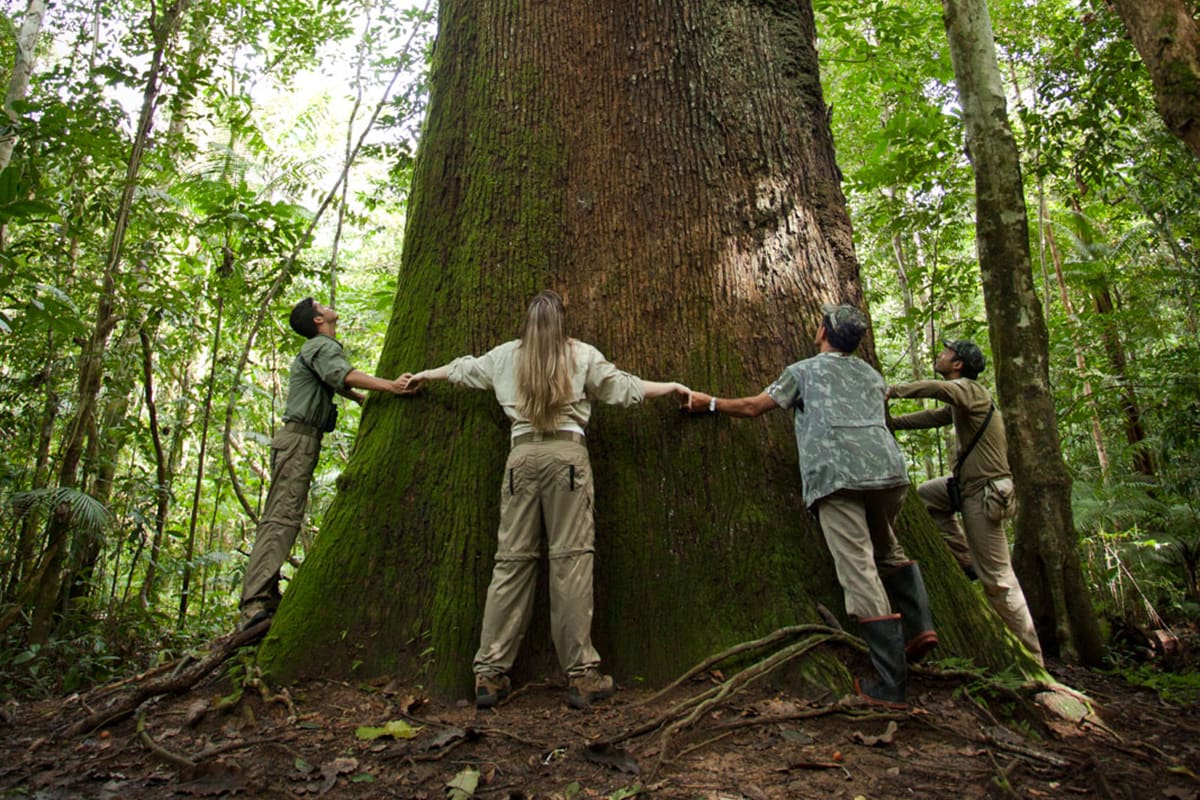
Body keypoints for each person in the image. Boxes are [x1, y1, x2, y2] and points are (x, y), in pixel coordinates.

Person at [397, 290, 690, 710]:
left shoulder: (504, 357)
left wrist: (426, 374)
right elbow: (623, 389)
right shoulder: (581, 354)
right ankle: (582, 675)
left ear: (527, 321)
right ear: (562, 321)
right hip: (567, 458)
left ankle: (489, 673)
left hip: (521, 459)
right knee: (570, 560)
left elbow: (465, 370)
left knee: (511, 561)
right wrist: (673, 386)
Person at [683, 303, 937, 708]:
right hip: (887, 473)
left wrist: (708, 402)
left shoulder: (804, 371)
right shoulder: (872, 375)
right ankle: (920, 628)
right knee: (887, 548)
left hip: (838, 477)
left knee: (858, 566)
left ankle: (891, 683)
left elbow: (753, 407)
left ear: (822, 332)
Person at [239, 297, 407, 631]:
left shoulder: (316, 349)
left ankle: (267, 598)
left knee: (284, 515)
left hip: (299, 441)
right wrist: (390, 387)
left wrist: (360, 398)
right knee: (281, 518)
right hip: (298, 441)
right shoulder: (320, 346)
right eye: (319, 305)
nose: (327, 306)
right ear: (318, 320)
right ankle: (252, 605)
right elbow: (342, 375)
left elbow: (334, 381)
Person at [887, 339, 1044, 664]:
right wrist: (893, 424)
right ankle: (965, 557)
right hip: (963, 487)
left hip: (984, 492)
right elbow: (935, 416)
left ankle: (1032, 657)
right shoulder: (964, 400)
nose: (939, 356)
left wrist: (890, 390)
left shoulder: (969, 390)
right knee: (927, 496)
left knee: (999, 580)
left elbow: (937, 391)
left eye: (946, 353)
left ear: (957, 365)